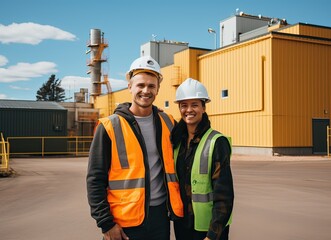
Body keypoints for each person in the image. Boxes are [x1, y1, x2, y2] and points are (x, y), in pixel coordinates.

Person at [86, 56, 183, 240]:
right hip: (123, 222)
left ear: (158, 89)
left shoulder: (168, 122)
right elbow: (95, 179)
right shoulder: (109, 126)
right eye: (140, 85)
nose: (146, 91)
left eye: (151, 86)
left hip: (160, 218)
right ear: (130, 87)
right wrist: (106, 224)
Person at [171, 78, 234, 240]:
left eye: (194, 105)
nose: (189, 110)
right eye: (184, 105)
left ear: (204, 107)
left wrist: (213, 235)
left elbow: (224, 194)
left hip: (208, 229)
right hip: (183, 225)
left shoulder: (217, 142)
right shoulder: (177, 142)